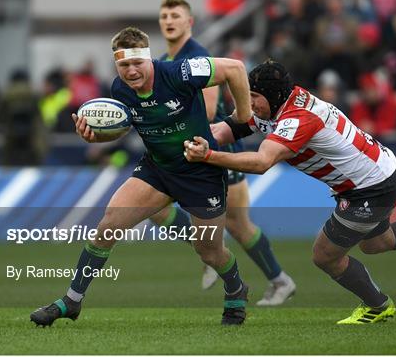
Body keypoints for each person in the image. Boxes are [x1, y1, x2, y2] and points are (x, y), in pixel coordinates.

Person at [183, 60, 396, 324]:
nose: (249, 102)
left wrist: (208, 157)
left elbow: (262, 162)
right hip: (376, 173)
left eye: (254, 97)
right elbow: (231, 126)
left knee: (325, 255)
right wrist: (198, 141)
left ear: (273, 97)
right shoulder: (272, 102)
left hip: (372, 186)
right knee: (378, 242)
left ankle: (378, 306)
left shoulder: (299, 117)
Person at [30, 26, 253, 326]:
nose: (131, 71)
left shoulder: (180, 72)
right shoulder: (119, 90)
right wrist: (93, 138)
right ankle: (72, 300)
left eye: (137, 63)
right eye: (124, 65)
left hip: (202, 171)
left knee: (209, 252)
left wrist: (242, 119)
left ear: (149, 59)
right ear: (116, 64)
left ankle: (236, 288)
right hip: (158, 169)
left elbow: (236, 69)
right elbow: (121, 130)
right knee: (107, 226)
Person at [148, 0, 295, 305]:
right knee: (156, 210)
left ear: (189, 22)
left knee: (238, 225)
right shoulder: (163, 61)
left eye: (175, 15)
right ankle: (211, 250)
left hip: (214, 143)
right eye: (164, 16)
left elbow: (210, 107)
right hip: (186, 148)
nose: (169, 21)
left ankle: (278, 281)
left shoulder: (197, 56)